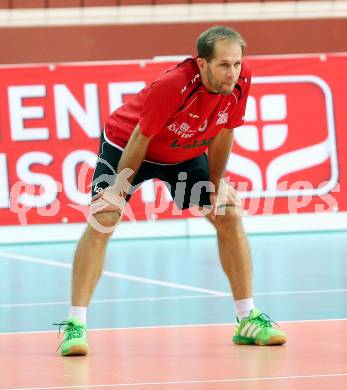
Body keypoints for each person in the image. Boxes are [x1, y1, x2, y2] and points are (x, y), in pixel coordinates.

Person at [55, 25, 286, 356]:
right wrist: (118, 190)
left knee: (229, 215)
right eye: (223, 65)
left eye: (236, 64)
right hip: (128, 144)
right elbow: (140, 138)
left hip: (185, 150)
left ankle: (247, 318)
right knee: (104, 217)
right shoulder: (174, 85)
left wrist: (217, 185)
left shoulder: (240, 81)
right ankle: (75, 325)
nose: (232, 72)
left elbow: (223, 133)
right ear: (202, 63)